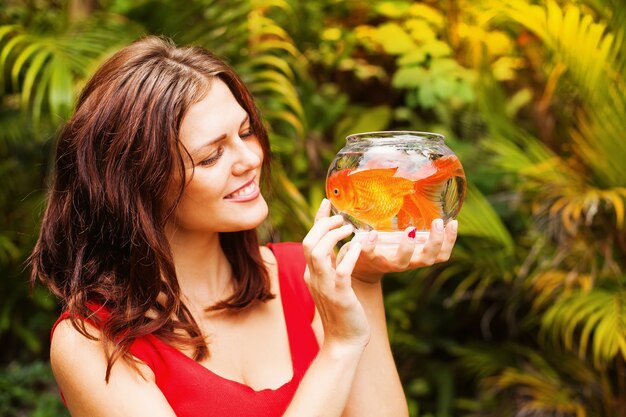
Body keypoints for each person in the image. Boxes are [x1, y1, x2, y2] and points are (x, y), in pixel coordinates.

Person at [29, 35, 458, 417]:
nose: (251, 159)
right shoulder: (92, 342)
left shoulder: (307, 276)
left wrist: (363, 280)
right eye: (212, 156)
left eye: (247, 131)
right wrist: (340, 347)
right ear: (138, 185)